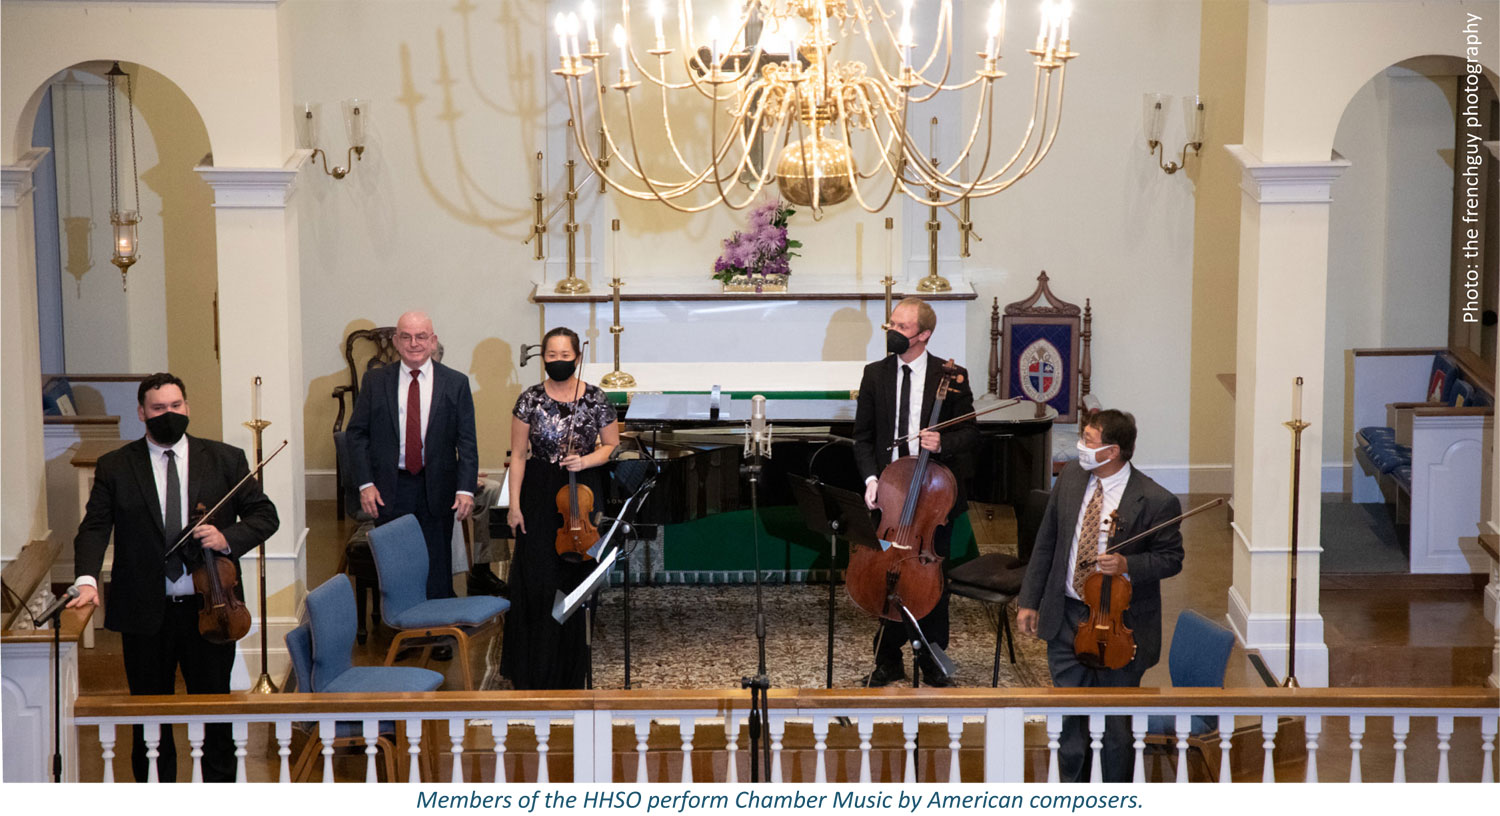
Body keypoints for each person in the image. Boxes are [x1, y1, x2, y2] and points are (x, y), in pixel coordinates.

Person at [68, 373, 279, 782]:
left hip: (212, 609)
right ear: (142, 413)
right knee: (149, 722)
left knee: (216, 717)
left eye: (176, 406)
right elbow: (94, 527)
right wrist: (87, 579)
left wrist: (225, 537)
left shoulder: (225, 459)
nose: (170, 414)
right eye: (159, 408)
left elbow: (264, 515)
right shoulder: (117, 466)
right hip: (145, 612)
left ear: (187, 407)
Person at [1016, 408, 1184, 782]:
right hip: (1066, 618)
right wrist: (1030, 600)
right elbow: (1047, 541)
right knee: (1070, 727)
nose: (1080, 448)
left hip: (1120, 629)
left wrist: (1128, 565)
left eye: (1088, 441)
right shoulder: (1073, 477)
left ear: (1113, 451)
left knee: (1114, 733)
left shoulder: (1156, 500)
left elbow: (1172, 560)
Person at [852, 297, 978, 687]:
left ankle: (932, 657)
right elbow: (863, 438)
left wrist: (943, 444)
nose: (892, 332)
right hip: (889, 497)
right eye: (891, 324)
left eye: (902, 327)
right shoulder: (875, 374)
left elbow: (971, 433)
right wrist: (872, 481)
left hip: (932, 498)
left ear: (923, 334)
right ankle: (888, 659)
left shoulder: (951, 376)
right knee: (888, 574)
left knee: (930, 579)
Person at [346, 311, 478, 659]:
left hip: (438, 487)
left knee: (437, 563)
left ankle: (439, 636)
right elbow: (357, 435)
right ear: (396, 341)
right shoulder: (376, 382)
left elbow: (467, 442)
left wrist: (465, 489)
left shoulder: (456, 383)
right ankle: (406, 636)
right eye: (406, 336)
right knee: (398, 566)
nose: (414, 343)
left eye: (422, 336)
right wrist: (365, 483)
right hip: (390, 486)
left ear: (433, 341)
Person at [501, 327, 619, 690]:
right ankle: (533, 669)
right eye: (550, 356)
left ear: (577, 358)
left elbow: (611, 445)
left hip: (582, 493)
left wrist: (585, 461)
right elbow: (519, 456)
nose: (557, 362)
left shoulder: (596, 399)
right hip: (538, 493)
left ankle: (572, 669)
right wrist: (514, 505)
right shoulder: (529, 400)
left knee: (575, 581)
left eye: (564, 356)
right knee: (538, 580)